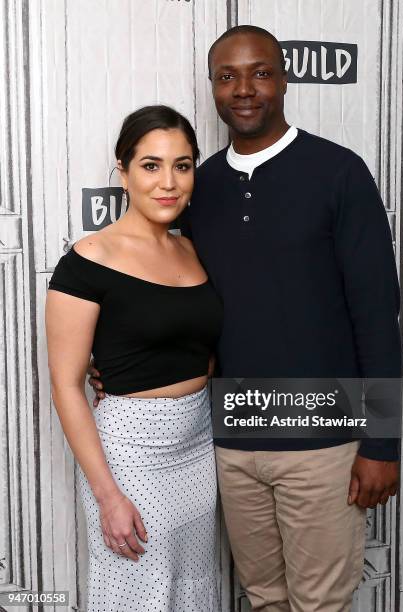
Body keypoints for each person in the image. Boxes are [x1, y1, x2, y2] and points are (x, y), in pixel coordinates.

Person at [90, 25, 402, 612]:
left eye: (260, 72)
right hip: (230, 444)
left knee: (322, 604)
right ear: (212, 87)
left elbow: (378, 318)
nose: (244, 88)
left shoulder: (339, 173)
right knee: (263, 599)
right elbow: (173, 295)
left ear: (284, 79)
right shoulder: (198, 186)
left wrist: (383, 443)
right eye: (227, 76)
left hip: (323, 444)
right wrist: (125, 368)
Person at [46, 105, 223, 612]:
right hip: (131, 454)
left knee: (192, 592)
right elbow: (65, 386)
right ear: (122, 172)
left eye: (182, 165)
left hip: (198, 442)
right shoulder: (88, 262)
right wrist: (107, 496)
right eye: (150, 165)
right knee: (139, 596)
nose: (168, 182)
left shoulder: (193, 249)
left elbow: (198, 344)